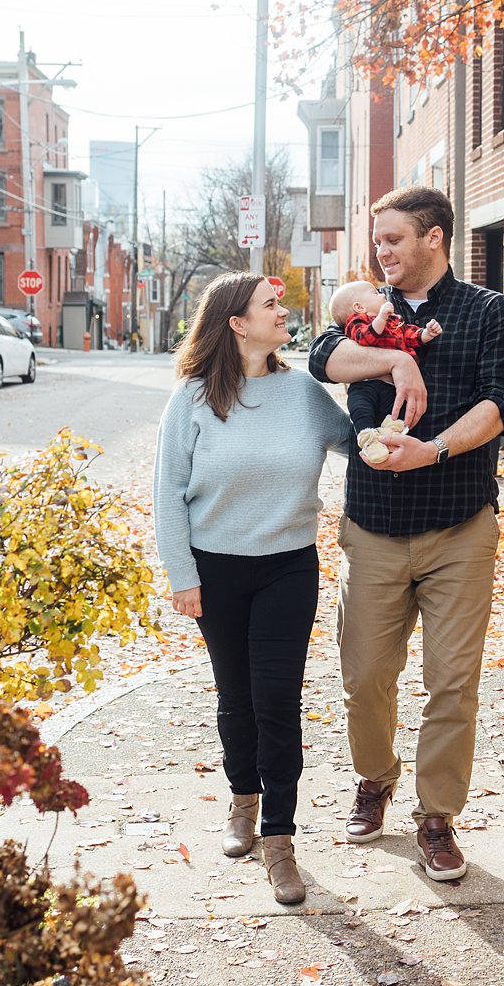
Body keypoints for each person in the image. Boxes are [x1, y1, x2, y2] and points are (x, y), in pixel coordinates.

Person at [308, 186, 504, 882]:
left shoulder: (490, 313)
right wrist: (396, 360)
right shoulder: (366, 312)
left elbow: (501, 403)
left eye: (394, 239)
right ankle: (375, 778)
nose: (383, 252)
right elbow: (321, 357)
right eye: (378, 241)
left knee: (451, 682)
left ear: (435, 238)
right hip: (373, 525)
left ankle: (437, 817)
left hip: (460, 523)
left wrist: (432, 450)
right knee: (365, 674)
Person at [153, 271, 355, 905]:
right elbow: (167, 493)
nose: (283, 311)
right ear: (238, 323)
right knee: (236, 695)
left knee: (276, 699)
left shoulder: (303, 393)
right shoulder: (191, 398)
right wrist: (182, 576)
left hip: (287, 566)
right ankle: (243, 797)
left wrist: (396, 401)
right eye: (271, 305)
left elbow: (359, 443)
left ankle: (280, 839)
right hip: (216, 570)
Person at [332, 278, 444, 356]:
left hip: (399, 378)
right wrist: (380, 318)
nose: (383, 294)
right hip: (370, 382)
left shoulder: (392, 320)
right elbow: (364, 338)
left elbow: (407, 334)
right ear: (359, 307)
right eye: (376, 293)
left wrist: (425, 334)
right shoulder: (357, 322)